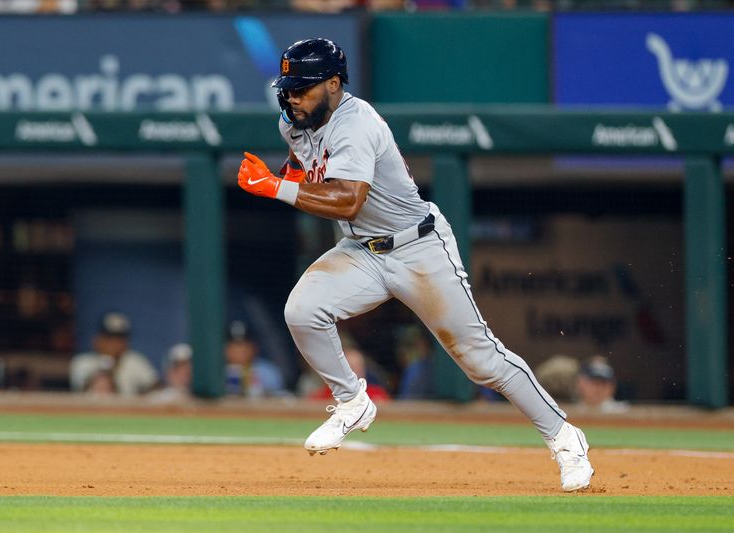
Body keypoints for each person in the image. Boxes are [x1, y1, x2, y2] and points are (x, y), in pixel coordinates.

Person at [236, 37, 594, 491]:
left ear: (333, 83)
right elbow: (301, 160)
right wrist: (287, 175)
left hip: (417, 247)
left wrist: (274, 188)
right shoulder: (294, 121)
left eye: (302, 88)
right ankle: (352, 401)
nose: (291, 97)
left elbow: (348, 200)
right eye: (287, 88)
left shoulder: (357, 123)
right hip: (362, 250)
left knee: (480, 361)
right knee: (302, 312)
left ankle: (565, 437)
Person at [70, 311, 159, 396]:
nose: (114, 344)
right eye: (109, 338)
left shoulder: (134, 361)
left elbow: (156, 387)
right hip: (91, 410)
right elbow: (81, 391)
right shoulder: (82, 362)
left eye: (119, 339)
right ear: (97, 340)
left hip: (125, 410)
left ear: (126, 343)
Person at [224, 320, 288, 398]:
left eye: (243, 344)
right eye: (235, 345)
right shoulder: (216, 372)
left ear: (253, 347)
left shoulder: (268, 372)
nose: (239, 350)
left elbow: (281, 399)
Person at [308, 346, 391, 402]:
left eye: (359, 367)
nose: (356, 373)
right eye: (351, 368)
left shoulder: (377, 394)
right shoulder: (322, 396)